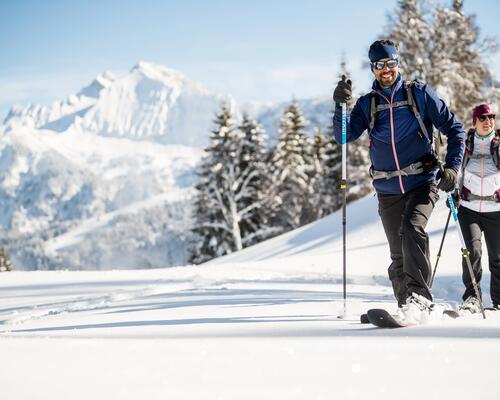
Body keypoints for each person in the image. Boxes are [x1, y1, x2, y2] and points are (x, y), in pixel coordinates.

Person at [332, 39, 465, 321]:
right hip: (387, 188)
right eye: (380, 65)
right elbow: (344, 137)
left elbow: (455, 129)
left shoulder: (418, 94)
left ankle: (419, 299)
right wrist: (340, 107)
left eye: (390, 63)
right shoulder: (368, 104)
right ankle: (408, 307)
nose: (386, 69)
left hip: (422, 181)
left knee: (412, 229)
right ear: (373, 68)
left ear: (398, 63)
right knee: (398, 253)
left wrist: (452, 168)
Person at [455, 103, 500, 313]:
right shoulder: (465, 145)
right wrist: (452, 190)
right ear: (475, 121)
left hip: (496, 209)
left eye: (491, 117)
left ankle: (498, 301)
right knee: (472, 252)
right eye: (483, 117)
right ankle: (472, 298)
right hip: (468, 208)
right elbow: (455, 169)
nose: (488, 121)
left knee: (497, 257)